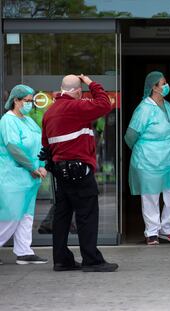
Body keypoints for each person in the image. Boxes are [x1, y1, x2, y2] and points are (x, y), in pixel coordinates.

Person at [42, 74, 118, 272]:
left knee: (62, 216)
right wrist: (91, 83)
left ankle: (61, 259)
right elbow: (104, 104)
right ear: (77, 91)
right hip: (79, 171)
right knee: (87, 215)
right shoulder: (76, 107)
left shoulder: (49, 113)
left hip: (59, 172)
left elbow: (46, 144)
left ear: (61, 88)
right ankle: (91, 260)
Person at [125, 71, 170, 245]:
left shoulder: (168, 106)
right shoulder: (144, 108)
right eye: (162, 83)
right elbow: (131, 135)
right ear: (153, 87)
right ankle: (151, 232)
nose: (166, 86)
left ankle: (167, 229)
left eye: (166, 82)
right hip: (149, 158)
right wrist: (143, 150)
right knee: (151, 196)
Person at [0, 84, 48, 265]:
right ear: (16, 101)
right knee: (10, 215)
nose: (30, 105)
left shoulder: (28, 120)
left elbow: (40, 143)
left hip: (31, 176)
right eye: (26, 101)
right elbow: (14, 147)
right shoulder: (8, 121)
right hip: (13, 176)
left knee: (26, 216)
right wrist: (31, 167)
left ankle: (24, 251)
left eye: (31, 101)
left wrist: (43, 165)